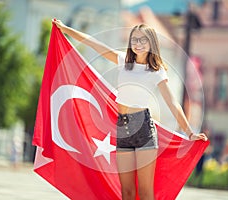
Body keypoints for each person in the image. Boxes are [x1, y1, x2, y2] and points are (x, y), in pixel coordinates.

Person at [53, 19, 208, 200]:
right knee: (126, 192)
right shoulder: (123, 61)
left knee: (144, 192)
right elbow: (94, 43)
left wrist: (190, 133)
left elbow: (173, 103)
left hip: (144, 131)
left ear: (151, 43)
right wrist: (65, 29)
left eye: (143, 40)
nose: (138, 44)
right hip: (122, 130)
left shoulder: (156, 71)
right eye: (135, 39)